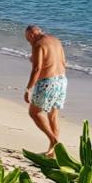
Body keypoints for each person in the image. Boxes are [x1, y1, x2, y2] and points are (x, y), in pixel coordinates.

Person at [23, 24, 67, 156]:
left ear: (31, 35)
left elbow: (37, 69)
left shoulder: (38, 44)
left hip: (48, 83)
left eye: (28, 39)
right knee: (53, 116)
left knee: (34, 112)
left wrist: (28, 88)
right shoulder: (56, 41)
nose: (29, 42)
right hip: (62, 80)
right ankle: (53, 152)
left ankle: (54, 141)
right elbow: (63, 62)